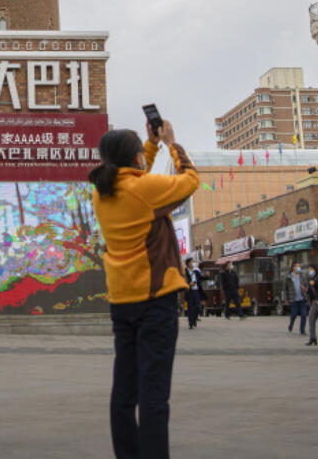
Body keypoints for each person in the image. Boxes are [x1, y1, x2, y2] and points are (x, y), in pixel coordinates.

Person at [90, 119, 199, 459]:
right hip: (155, 301)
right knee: (153, 394)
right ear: (135, 158)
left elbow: (138, 179)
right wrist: (172, 143)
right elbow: (190, 181)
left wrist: (149, 147)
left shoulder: (101, 192)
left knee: (124, 391)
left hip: (122, 302)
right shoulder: (144, 190)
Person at [284, 262, 308, 335]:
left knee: (304, 314)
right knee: (294, 314)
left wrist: (305, 289)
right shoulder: (288, 277)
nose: (299, 268)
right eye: (297, 266)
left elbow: (306, 286)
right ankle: (291, 324)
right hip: (293, 299)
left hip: (302, 298)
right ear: (293, 268)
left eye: (299, 266)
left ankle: (302, 330)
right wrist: (285, 299)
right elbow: (285, 289)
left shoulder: (302, 276)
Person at [304, 265, 318, 346]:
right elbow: (310, 291)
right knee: (311, 319)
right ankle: (312, 338)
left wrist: (314, 284)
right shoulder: (311, 279)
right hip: (314, 302)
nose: (310, 271)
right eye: (309, 269)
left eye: (311, 269)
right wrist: (306, 290)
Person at [183, 259, 203, 329]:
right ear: (188, 263)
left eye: (193, 262)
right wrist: (189, 284)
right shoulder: (184, 271)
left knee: (197, 306)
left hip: (196, 290)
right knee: (190, 308)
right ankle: (190, 323)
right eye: (191, 262)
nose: (193, 263)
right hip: (189, 291)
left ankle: (194, 319)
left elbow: (201, 277)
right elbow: (183, 281)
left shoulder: (196, 271)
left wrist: (207, 276)